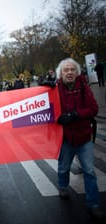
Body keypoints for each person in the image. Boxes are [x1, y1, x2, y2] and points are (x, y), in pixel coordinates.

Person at [55, 58, 106, 220]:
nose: (69, 72)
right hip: (66, 138)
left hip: (84, 137)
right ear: (61, 74)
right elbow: (49, 110)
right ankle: (63, 186)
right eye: (66, 70)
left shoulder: (84, 87)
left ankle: (93, 204)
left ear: (77, 73)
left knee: (89, 171)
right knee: (63, 167)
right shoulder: (55, 89)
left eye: (72, 70)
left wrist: (76, 114)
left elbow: (93, 109)